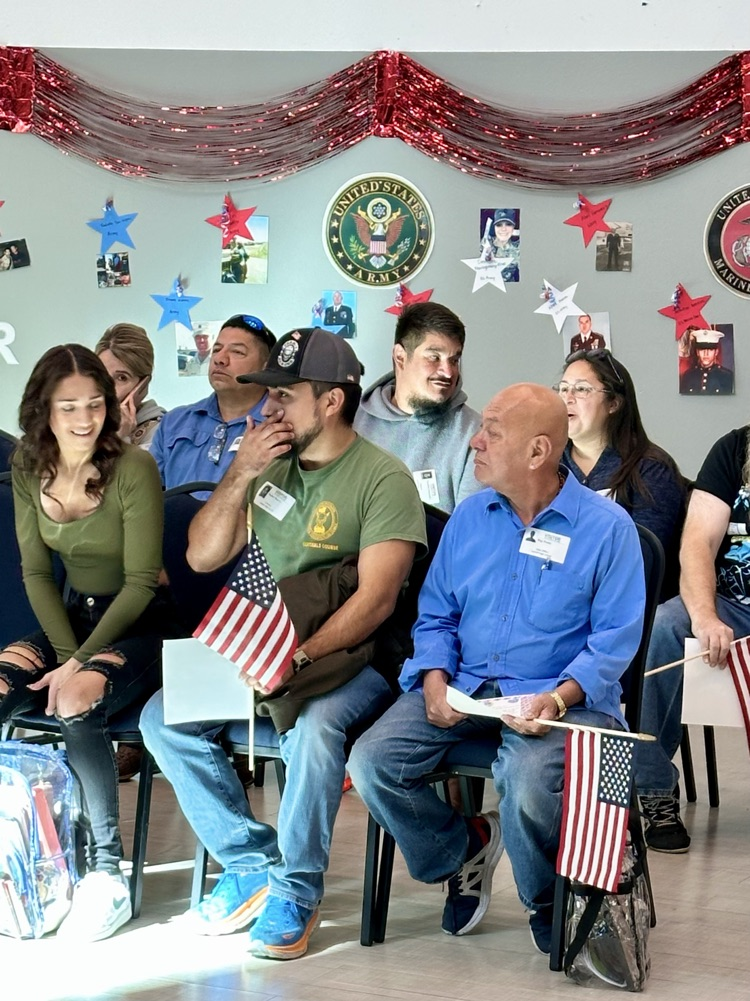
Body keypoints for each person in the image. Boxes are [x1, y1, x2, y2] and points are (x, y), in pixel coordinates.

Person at [140, 327, 426, 960]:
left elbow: (375, 602)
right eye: (268, 395)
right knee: (163, 719)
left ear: (330, 402)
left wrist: (296, 657)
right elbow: (202, 552)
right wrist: (241, 472)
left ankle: (296, 892)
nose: (269, 408)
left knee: (315, 731)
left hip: (347, 661)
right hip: (260, 646)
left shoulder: (383, 479)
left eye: (284, 396)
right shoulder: (268, 465)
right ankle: (250, 860)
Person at [348, 383, 645, 956]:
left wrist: (556, 700)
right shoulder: (469, 517)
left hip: (561, 701)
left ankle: (544, 900)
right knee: (371, 762)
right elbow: (435, 615)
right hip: (467, 687)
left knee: (529, 781)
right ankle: (463, 849)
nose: (475, 442)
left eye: (492, 433)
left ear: (538, 452)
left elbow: (614, 643)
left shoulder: (608, 529)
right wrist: (434, 678)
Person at [0, 344, 163, 941]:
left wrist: (78, 667)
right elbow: (37, 574)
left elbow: (143, 583)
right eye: (68, 405)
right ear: (43, 408)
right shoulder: (27, 466)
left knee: (76, 699)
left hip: (139, 622)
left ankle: (106, 873)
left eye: (95, 403)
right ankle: (16, 857)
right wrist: (67, 655)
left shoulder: (134, 467)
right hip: (71, 621)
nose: (84, 418)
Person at [635, 423, 750, 853]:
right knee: (667, 624)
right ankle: (652, 787)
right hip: (731, 606)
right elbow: (698, 541)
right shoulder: (734, 449)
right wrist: (704, 617)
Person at [557, 348, 685, 599]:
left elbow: (639, 563)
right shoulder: (547, 462)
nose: (567, 398)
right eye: (563, 389)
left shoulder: (651, 469)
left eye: (581, 389)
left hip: (621, 608)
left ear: (614, 403)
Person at [354, 302, 481, 513]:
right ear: (400, 357)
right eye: (434, 357)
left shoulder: (475, 433)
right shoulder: (351, 420)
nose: (448, 372)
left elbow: (469, 533)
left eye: (454, 359)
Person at [149, 314, 275, 492]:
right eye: (216, 349)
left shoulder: (278, 428)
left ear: (266, 366)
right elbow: (145, 496)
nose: (220, 359)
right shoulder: (174, 422)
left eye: (237, 352)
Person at [95, 322, 166, 450]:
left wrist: (120, 440)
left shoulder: (160, 433)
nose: (107, 388)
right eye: (102, 374)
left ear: (143, 385)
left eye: (122, 378)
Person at [679, 329, 733, 395]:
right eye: (702, 349)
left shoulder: (727, 376)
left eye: (710, 350)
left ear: (716, 352)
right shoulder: (688, 376)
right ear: (697, 352)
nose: (706, 354)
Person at [485, 209, 519, 282]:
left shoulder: (518, 249)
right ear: (494, 227)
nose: (503, 229)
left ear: (513, 227)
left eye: (508, 224)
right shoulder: (484, 245)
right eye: (499, 225)